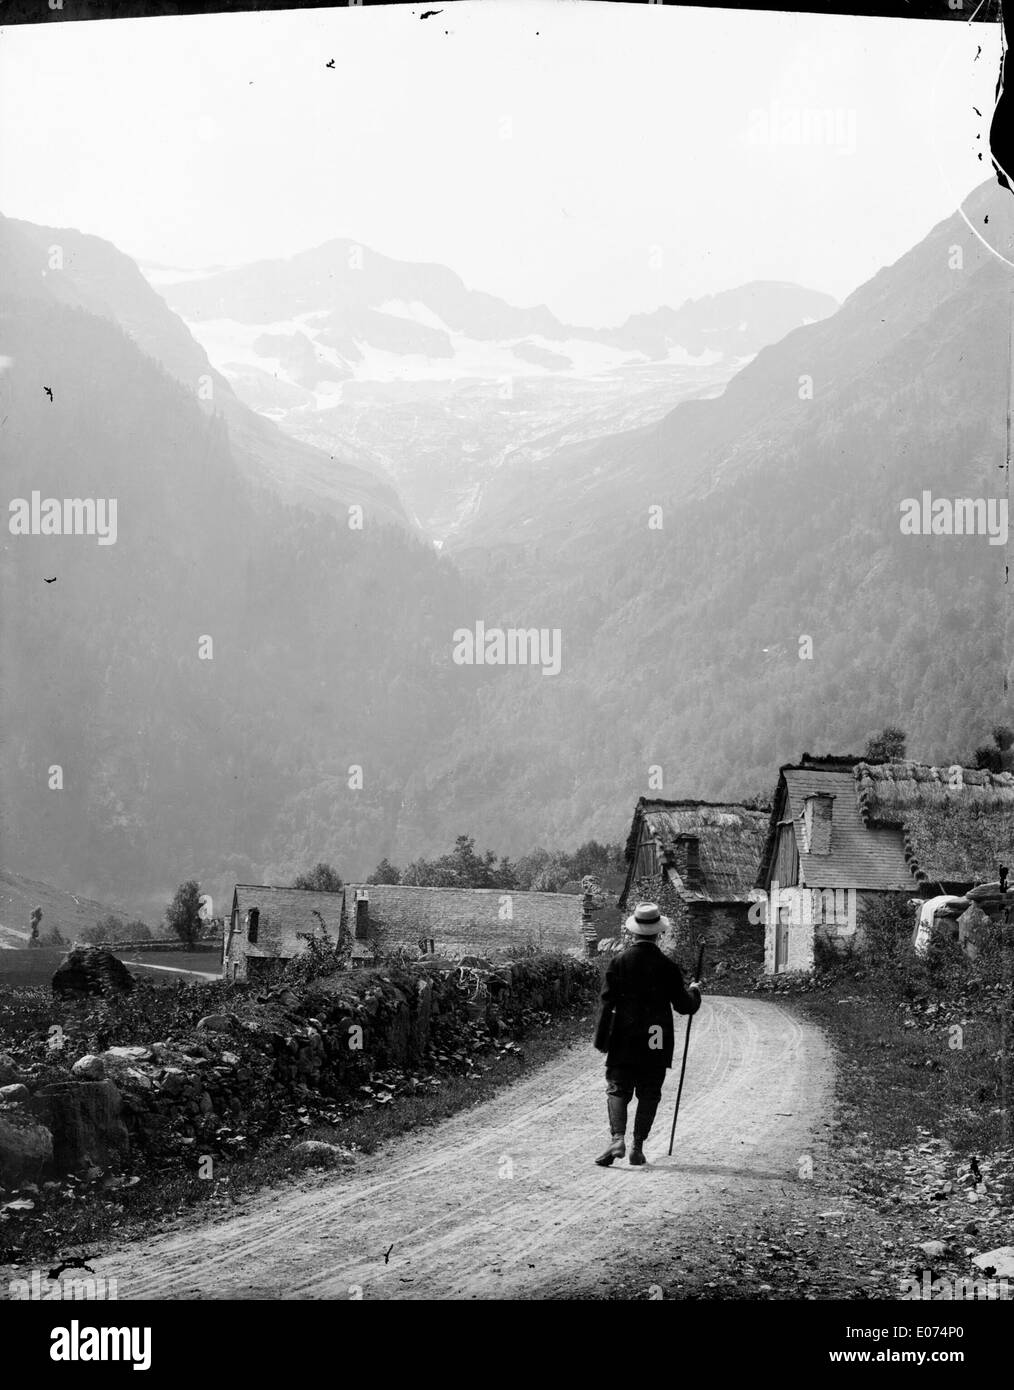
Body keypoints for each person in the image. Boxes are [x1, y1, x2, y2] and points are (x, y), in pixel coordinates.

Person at [593, 901, 702, 1166]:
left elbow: (607, 1003)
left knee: (618, 1089)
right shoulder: (668, 966)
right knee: (649, 1092)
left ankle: (617, 1138)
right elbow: (684, 1006)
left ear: (634, 932)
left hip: (624, 1035)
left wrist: (601, 1040)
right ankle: (638, 1147)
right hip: (657, 1037)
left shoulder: (619, 962)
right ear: (658, 933)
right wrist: (695, 991)